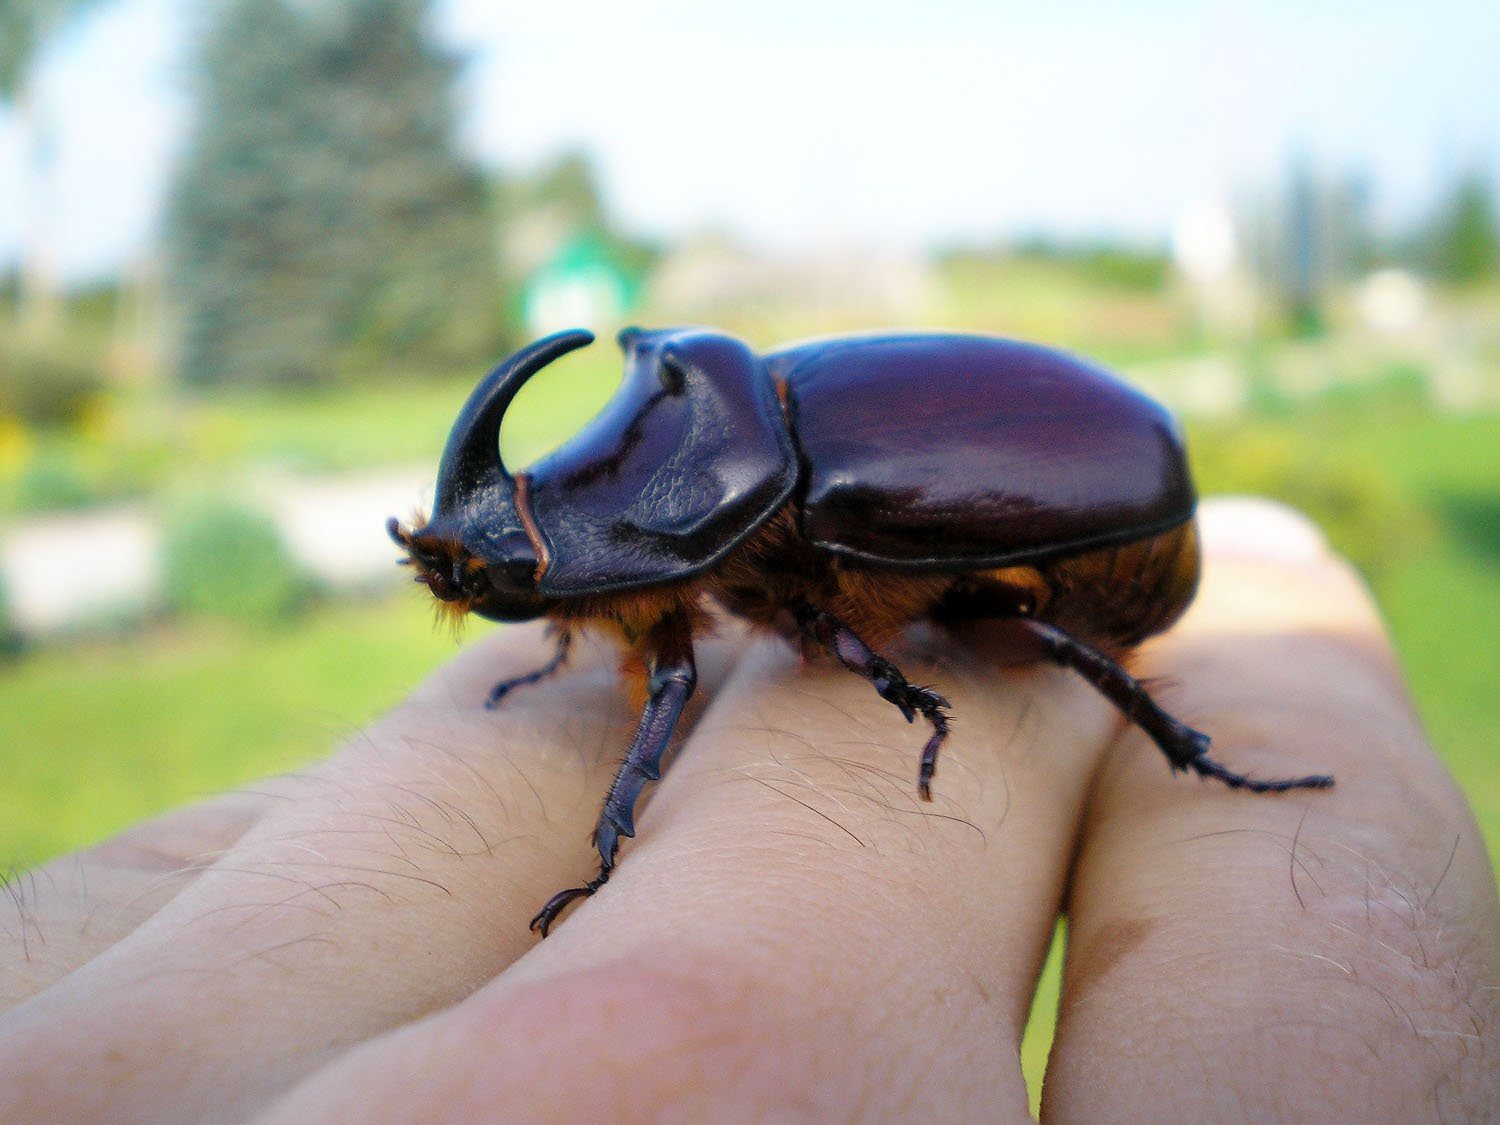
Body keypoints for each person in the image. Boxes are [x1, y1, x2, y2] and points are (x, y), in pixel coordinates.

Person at [0, 499, 1495, 1121]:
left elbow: (690, 675)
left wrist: (609, 852)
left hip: (1110, 549)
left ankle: (1204, 758)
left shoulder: (785, 533)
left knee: (1029, 637)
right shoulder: (713, 524)